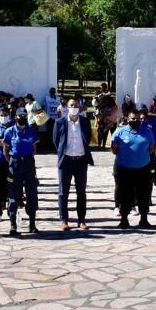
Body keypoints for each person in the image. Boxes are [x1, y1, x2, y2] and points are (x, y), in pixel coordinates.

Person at [112, 108, 156, 229]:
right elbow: (114, 149)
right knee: (125, 195)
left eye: (137, 118)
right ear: (128, 119)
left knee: (143, 194)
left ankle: (144, 219)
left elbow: (151, 148)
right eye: (132, 118)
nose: (135, 120)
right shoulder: (120, 132)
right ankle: (124, 219)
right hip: (125, 170)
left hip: (143, 169)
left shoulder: (147, 132)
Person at [54, 97, 94, 230]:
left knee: (81, 192)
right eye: (71, 105)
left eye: (76, 105)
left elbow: (88, 138)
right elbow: (56, 141)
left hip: (81, 161)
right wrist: (63, 153)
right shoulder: (59, 122)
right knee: (63, 192)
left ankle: (81, 220)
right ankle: (64, 220)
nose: (73, 107)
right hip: (66, 161)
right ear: (67, 107)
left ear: (80, 107)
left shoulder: (85, 122)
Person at [3, 110, 40, 236]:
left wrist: (27, 159)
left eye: (24, 116)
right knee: (13, 193)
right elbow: (6, 150)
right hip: (15, 163)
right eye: (20, 116)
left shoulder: (32, 131)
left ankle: (32, 224)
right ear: (15, 117)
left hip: (28, 163)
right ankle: (13, 224)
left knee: (32, 193)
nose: (22, 118)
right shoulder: (9, 131)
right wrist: (13, 162)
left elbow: (34, 148)